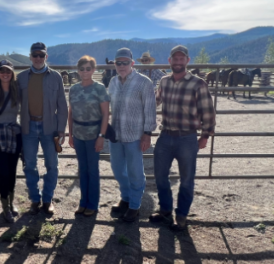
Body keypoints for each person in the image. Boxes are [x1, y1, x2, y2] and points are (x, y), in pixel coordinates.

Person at [153, 45, 215, 232]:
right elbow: (155, 102)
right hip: (165, 135)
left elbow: (208, 112)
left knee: (187, 178)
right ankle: (165, 210)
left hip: (187, 137)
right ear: (170, 61)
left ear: (187, 61)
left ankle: (181, 215)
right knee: (160, 175)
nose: (178, 62)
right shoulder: (164, 81)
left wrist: (204, 136)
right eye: (175, 59)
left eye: (182, 59)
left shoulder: (198, 83)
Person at [17, 42, 67, 215]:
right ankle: (35, 199)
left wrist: (61, 129)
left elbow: (62, 104)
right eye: (35, 55)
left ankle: (48, 199)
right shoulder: (21, 77)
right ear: (30, 57)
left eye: (41, 55)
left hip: (50, 127)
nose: (38, 58)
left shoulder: (56, 77)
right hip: (28, 126)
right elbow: (10, 99)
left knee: (52, 165)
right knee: (29, 165)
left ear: (46, 57)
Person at [106, 48, 155, 223]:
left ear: (132, 63)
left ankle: (134, 205)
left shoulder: (144, 82)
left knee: (135, 172)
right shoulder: (113, 82)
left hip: (135, 134)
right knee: (118, 170)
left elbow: (150, 109)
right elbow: (105, 105)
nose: (121, 65)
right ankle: (126, 198)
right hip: (116, 134)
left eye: (125, 62)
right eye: (118, 62)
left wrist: (147, 133)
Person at [67, 55, 109, 217]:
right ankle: (83, 202)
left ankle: (93, 204)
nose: (85, 72)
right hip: (78, 135)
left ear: (94, 70)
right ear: (78, 71)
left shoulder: (99, 88)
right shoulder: (74, 89)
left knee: (93, 170)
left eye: (88, 69)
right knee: (82, 170)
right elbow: (71, 113)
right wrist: (70, 134)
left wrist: (101, 136)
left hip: (93, 134)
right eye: (82, 69)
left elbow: (105, 114)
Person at [0, 59, 22, 223]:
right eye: (2, 71)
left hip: (14, 133)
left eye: (8, 71)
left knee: (13, 172)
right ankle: (5, 208)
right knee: (4, 172)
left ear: (12, 73)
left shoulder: (18, 91)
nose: (5, 74)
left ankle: (11, 203)